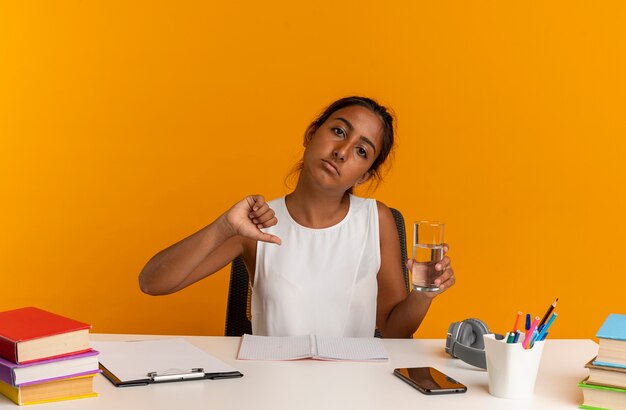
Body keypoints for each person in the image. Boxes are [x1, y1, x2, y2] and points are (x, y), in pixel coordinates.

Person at [139, 96, 455, 338]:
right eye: (338, 131)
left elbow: (394, 330)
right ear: (311, 134)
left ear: (364, 176)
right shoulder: (256, 223)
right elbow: (152, 283)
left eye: (362, 151)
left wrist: (424, 294)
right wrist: (223, 227)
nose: (342, 151)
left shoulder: (377, 220)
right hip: (273, 392)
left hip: (354, 394)